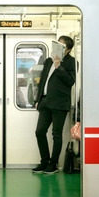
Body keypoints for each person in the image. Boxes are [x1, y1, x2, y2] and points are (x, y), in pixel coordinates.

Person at [32, 35, 76, 174]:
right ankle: (44, 161)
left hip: (59, 104)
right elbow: (42, 81)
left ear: (67, 50)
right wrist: (38, 100)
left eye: (62, 46)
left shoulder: (71, 62)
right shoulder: (48, 61)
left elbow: (70, 81)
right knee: (39, 132)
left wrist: (59, 67)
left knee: (56, 135)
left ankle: (53, 164)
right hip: (45, 102)